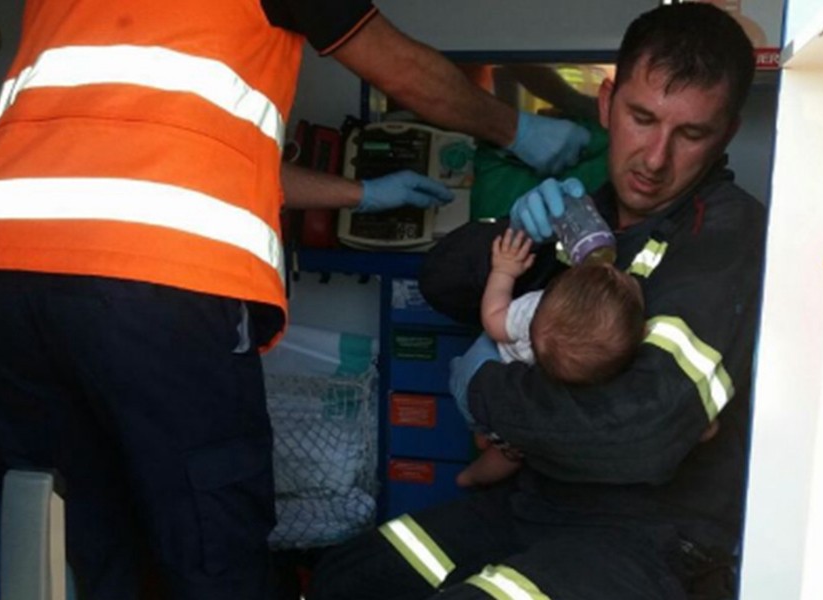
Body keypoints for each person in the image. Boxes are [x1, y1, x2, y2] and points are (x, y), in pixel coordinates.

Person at [0, 1, 591, 599]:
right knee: (212, 535)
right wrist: (517, 128)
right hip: (157, 280)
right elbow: (393, 62)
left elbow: (195, 153)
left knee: (71, 536)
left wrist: (361, 195)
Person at [309, 3, 766, 599]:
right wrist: (527, 227)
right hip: (536, 507)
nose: (655, 159)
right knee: (348, 580)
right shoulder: (580, 214)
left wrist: (484, 390)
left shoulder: (725, 237)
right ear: (606, 104)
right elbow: (444, 281)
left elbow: (642, 435)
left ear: (726, 133)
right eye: (642, 118)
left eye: (691, 133)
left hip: (651, 537)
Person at [457, 228, 645, 488]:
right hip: (505, 402)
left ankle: (480, 437)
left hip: (482, 372)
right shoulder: (596, 374)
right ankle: (472, 476)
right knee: (510, 455)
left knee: (482, 418)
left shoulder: (535, 310)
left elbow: (493, 320)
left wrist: (504, 271)